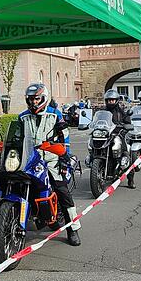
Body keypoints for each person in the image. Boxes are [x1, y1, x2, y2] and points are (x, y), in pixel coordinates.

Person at [19, 83, 81, 246]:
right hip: (30, 160)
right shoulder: (23, 116)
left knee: (62, 191)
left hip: (51, 159)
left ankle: (72, 229)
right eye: (30, 99)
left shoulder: (55, 114)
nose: (33, 102)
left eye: (36, 99)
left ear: (44, 98)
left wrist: (63, 158)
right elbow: (18, 139)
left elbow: (64, 139)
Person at [103, 89, 135, 188]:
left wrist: (126, 127)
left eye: (112, 100)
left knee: (125, 153)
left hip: (118, 134)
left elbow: (127, 122)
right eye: (109, 100)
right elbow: (96, 120)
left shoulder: (121, 112)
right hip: (105, 135)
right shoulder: (103, 111)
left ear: (116, 100)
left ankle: (131, 179)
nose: (110, 102)